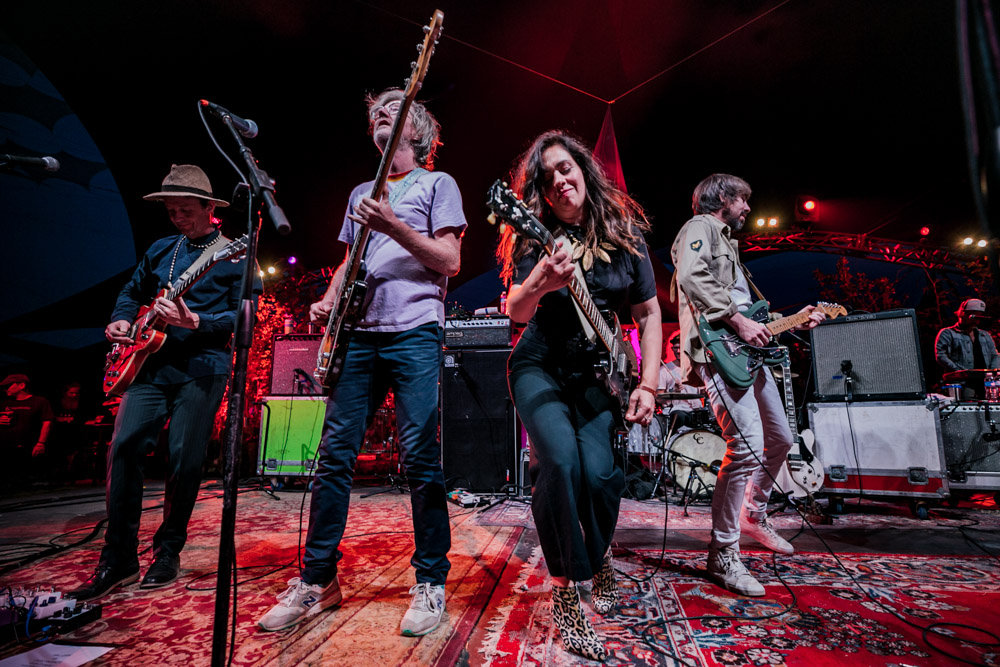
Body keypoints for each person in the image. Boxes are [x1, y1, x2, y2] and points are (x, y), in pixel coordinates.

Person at [257, 89, 465, 637]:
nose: (379, 112)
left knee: (420, 455)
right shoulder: (359, 192)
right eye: (375, 108)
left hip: (416, 332)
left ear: (416, 127)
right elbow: (351, 262)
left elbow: (450, 259)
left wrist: (394, 223)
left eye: (394, 106)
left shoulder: (436, 184)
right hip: (359, 337)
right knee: (333, 458)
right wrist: (328, 300)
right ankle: (317, 579)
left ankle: (431, 581)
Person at [498, 130, 661, 661]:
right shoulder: (535, 237)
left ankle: (600, 553)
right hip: (540, 366)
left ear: (583, 171)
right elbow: (516, 311)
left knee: (601, 476)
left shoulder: (625, 232)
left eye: (565, 169)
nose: (559, 183)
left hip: (599, 377)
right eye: (547, 180)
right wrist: (543, 280)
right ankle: (568, 587)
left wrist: (649, 382)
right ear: (539, 196)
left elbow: (648, 313)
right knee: (561, 465)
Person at [69, 164, 259, 600]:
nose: (178, 218)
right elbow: (131, 292)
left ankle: (167, 552)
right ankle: (117, 560)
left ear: (211, 208)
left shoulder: (235, 255)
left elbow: (243, 317)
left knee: (185, 462)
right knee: (123, 450)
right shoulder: (160, 249)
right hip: (146, 367)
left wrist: (197, 320)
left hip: (202, 368)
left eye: (186, 210)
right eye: (172, 211)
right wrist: (120, 320)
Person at [671, 174, 825, 597]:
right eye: (743, 200)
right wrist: (738, 320)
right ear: (723, 197)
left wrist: (792, 321)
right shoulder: (699, 228)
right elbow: (691, 276)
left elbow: (748, 312)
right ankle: (722, 552)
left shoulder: (731, 249)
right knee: (746, 442)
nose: (747, 208)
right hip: (718, 352)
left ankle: (753, 513)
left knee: (780, 437)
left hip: (746, 353)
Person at [935, 299, 999, 397]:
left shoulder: (985, 335)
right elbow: (941, 355)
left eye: (978, 317)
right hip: (962, 383)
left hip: (985, 383)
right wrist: (960, 371)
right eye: (972, 316)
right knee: (968, 403)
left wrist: (992, 374)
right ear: (962, 314)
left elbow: (995, 355)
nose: (975, 320)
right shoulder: (948, 333)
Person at [0, 373, 55, 486]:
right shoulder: (5, 403)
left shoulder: (39, 401)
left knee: (30, 480)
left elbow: (47, 422)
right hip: (7, 447)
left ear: (21, 385)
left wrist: (41, 443)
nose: (5, 389)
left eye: (9, 386)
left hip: (29, 447)